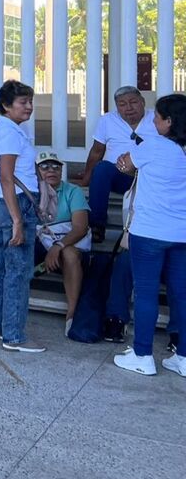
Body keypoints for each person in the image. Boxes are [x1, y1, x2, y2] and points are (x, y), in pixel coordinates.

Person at [112, 94, 186, 377]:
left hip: (150, 232)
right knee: (182, 295)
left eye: (157, 117)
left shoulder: (154, 145)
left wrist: (124, 163)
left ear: (169, 122)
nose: (153, 121)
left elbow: (125, 165)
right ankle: (183, 358)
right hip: (182, 234)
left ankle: (143, 354)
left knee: (145, 294)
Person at [0, 79, 45, 354]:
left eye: (30, 102)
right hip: (13, 204)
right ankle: (14, 335)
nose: (28, 107)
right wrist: (18, 220)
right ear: (6, 106)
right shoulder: (8, 132)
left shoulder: (7, 128)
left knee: (0, 266)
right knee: (17, 271)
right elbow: (6, 177)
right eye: (22, 102)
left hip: (3, 202)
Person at [74, 86, 158, 244]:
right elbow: (96, 152)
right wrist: (86, 179)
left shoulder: (155, 118)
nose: (129, 108)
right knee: (102, 168)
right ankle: (97, 227)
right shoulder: (107, 120)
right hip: (121, 177)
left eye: (133, 102)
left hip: (149, 178)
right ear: (117, 106)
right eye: (122, 104)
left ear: (142, 102)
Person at [31, 151, 89, 337]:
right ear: (36, 170)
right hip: (40, 242)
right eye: (45, 166)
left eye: (56, 166)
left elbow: (80, 227)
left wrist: (57, 247)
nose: (51, 170)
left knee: (69, 254)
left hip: (67, 244)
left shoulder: (73, 191)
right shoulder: (32, 191)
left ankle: (72, 314)